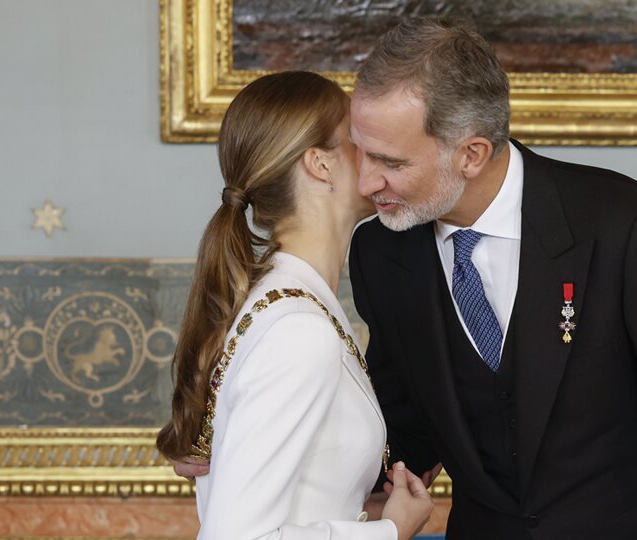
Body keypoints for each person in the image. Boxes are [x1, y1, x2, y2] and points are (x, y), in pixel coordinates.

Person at [176, 19, 637, 539]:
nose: (367, 179)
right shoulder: (382, 252)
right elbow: (405, 424)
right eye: (361, 150)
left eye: (392, 162)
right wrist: (230, 437)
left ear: (472, 154)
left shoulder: (631, 229)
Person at [157, 71, 433, 540]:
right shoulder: (298, 330)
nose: (376, 151)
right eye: (358, 138)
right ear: (320, 165)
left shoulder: (292, 305)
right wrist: (390, 531)